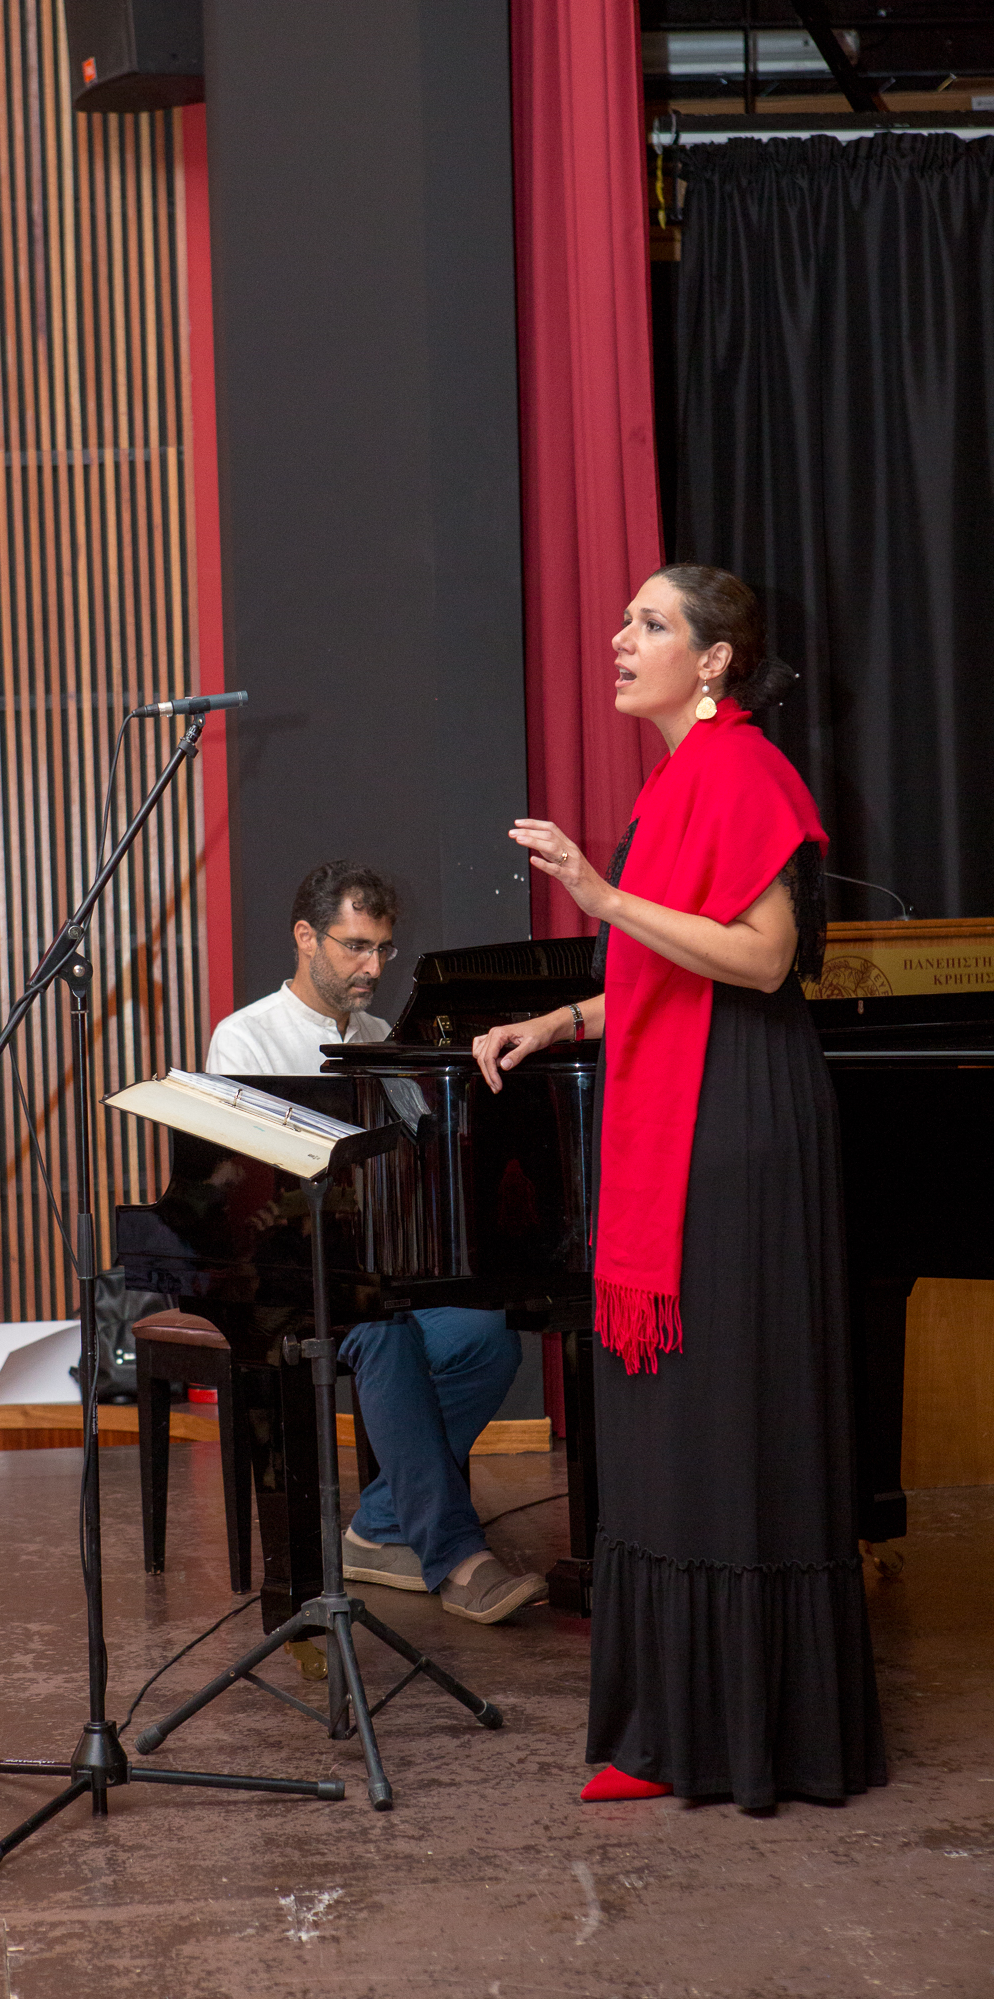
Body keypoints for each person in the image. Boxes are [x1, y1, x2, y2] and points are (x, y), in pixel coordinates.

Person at [474, 566, 887, 1810]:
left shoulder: (744, 770)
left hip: (737, 1126)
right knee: (672, 1434)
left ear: (713, 661)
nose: (620, 637)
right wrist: (561, 1018)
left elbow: (760, 959)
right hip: (692, 1117)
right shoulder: (679, 780)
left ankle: (745, 1734)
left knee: (728, 1426)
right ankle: (670, 1726)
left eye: (650, 623)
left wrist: (599, 898)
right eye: (624, 619)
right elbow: (667, 971)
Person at [207, 858, 546, 1624]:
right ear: (305, 937)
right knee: (382, 1331)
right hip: (289, 1276)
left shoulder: (377, 1038)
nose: (372, 967)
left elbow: (411, 1164)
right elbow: (248, 1191)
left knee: (486, 1339)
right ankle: (457, 1557)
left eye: (382, 949)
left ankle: (381, 1527)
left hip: (374, 1268)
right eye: (356, 946)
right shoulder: (244, 1039)